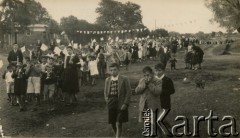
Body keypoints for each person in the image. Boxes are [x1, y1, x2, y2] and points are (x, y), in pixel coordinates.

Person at [104, 63, 131, 138]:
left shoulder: (124, 79)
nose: (113, 72)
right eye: (111, 70)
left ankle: (117, 137)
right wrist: (107, 100)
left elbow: (128, 92)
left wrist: (125, 103)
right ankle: (118, 135)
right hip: (111, 102)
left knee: (119, 122)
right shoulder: (107, 80)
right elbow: (105, 92)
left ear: (118, 70)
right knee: (113, 122)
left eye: (115, 70)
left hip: (121, 102)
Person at [135, 66, 162, 137]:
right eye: (144, 75)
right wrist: (144, 85)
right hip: (144, 105)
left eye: (148, 75)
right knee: (146, 123)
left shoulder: (157, 81)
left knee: (155, 122)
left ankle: (159, 135)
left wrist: (149, 84)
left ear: (152, 74)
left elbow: (157, 92)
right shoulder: (142, 81)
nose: (146, 77)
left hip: (153, 105)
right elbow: (137, 91)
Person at [155, 63, 175, 135]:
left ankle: (162, 135)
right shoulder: (153, 80)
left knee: (158, 120)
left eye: (159, 70)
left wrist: (161, 91)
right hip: (156, 104)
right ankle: (169, 128)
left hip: (165, 103)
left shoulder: (167, 80)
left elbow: (172, 91)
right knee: (160, 119)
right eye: (156, 70)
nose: (157, 72)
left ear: (163, 71)